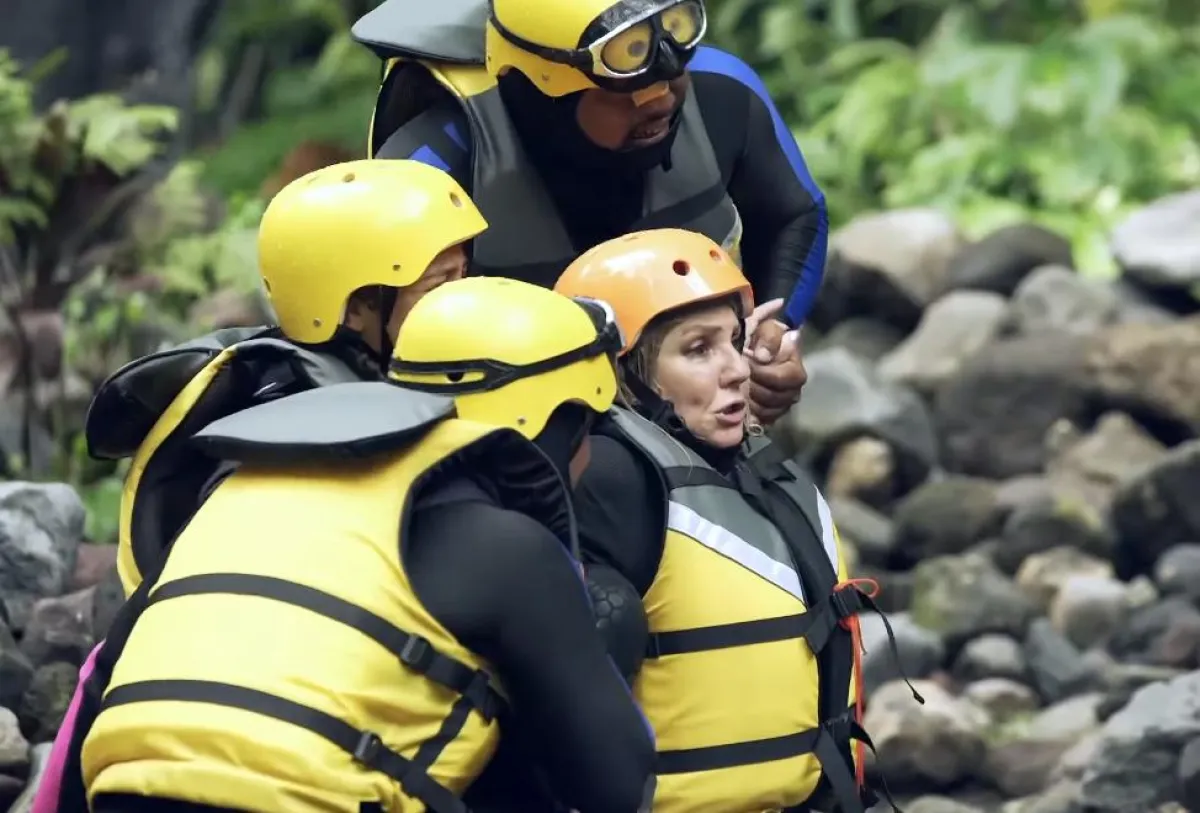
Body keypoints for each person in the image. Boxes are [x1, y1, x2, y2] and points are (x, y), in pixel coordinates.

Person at [47, 277, 657, 813]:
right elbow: (615, 786)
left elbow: (102, 681)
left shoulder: (236, 497)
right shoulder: (512, 551)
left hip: (123, 791)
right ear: (561, 425)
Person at [554, 229, 920, 813]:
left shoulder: (755, 468)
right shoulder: (611, 477)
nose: (735, 371)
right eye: (698, 350)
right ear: (622, 373)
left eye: (734, 341)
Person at [352, 0, 817, 425]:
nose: (659, 100)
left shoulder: (721, 93)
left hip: (699, 422)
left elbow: (795, 215)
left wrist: (768, 342)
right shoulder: (440, 156)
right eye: (627, 90)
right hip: (516, 434)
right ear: (540, 92)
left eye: (672, 76)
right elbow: (374, 334)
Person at [85, 158, 484, 599]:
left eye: (465, 275)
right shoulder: (282, 442)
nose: (468, 300)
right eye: (437, 285)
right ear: (353, 310)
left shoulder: (376, 379)